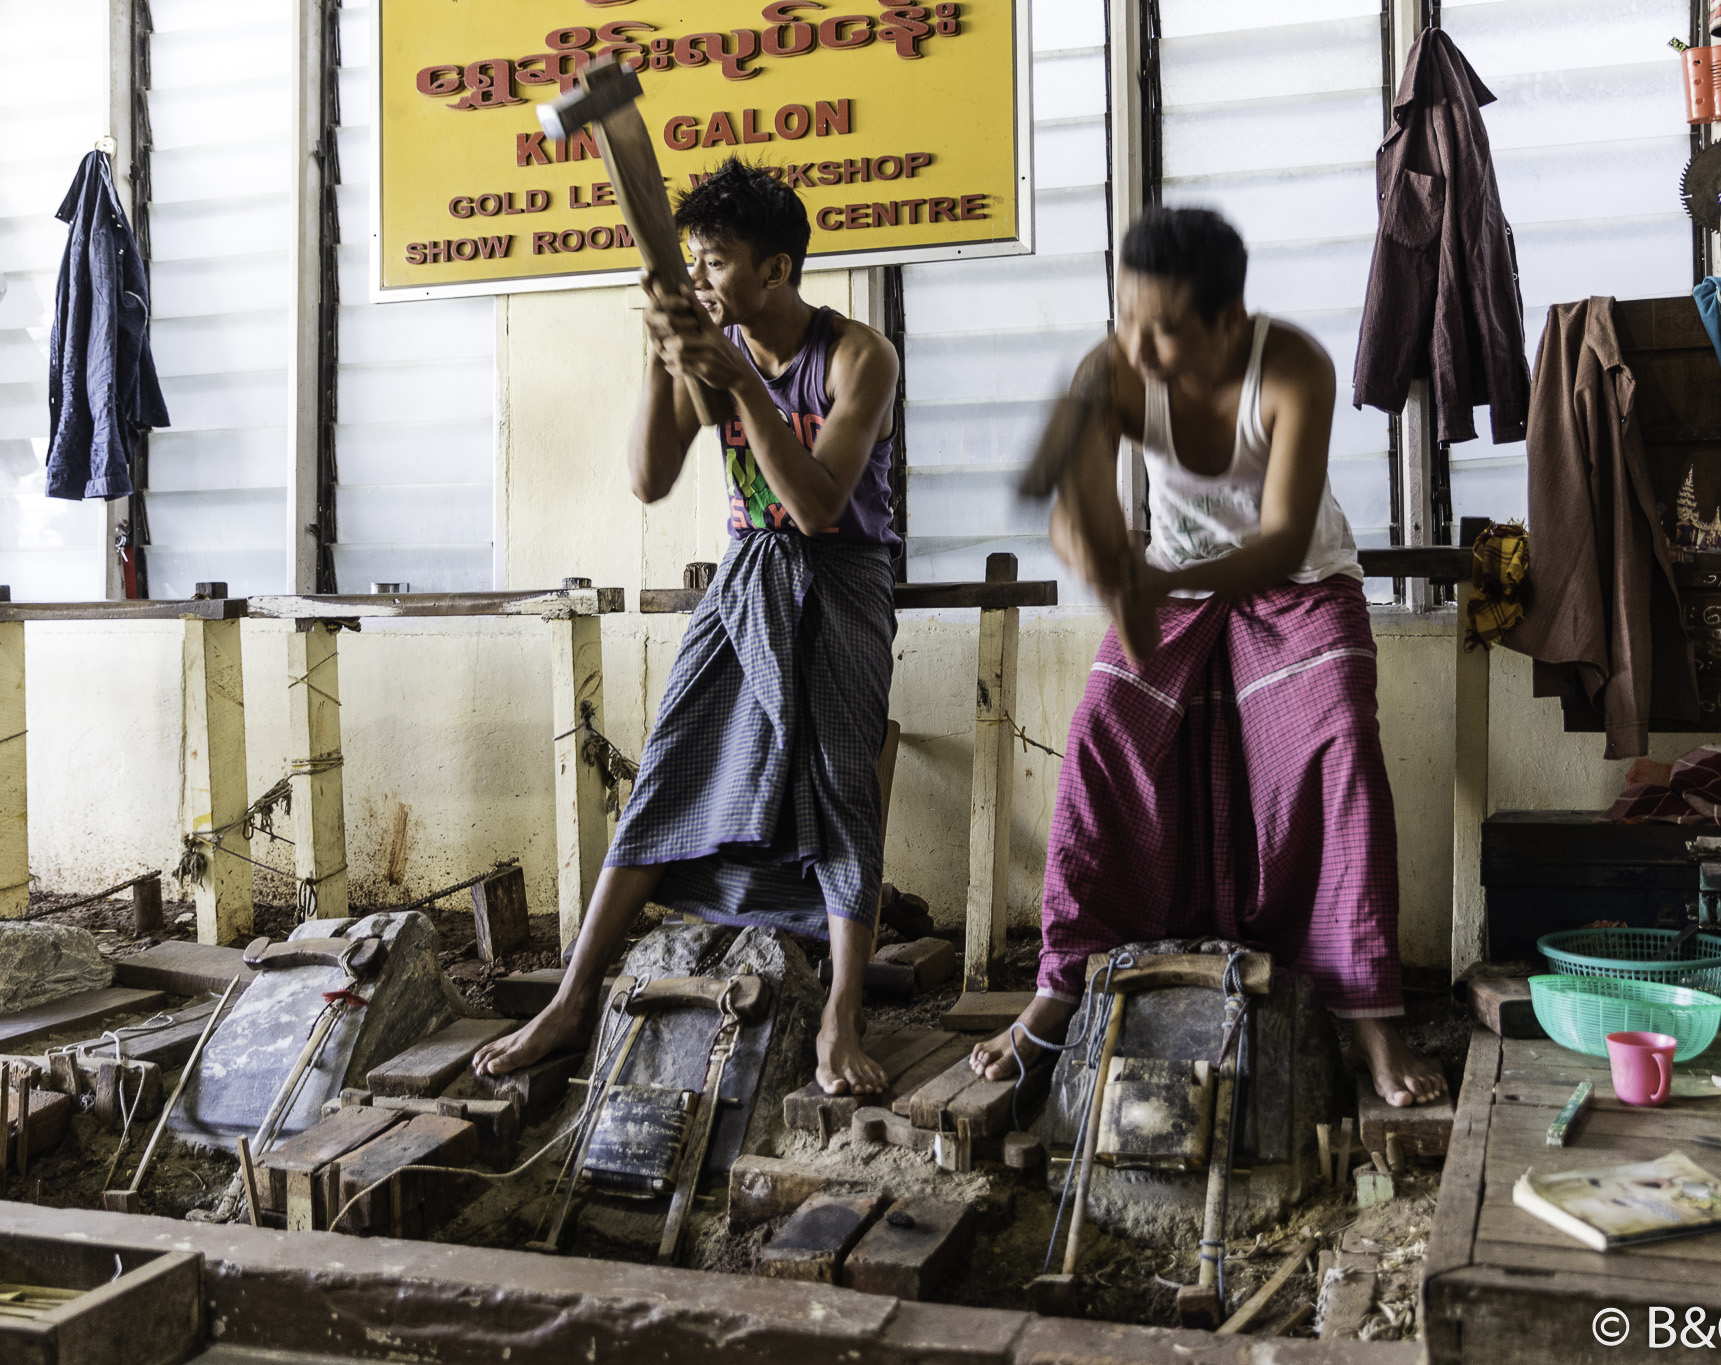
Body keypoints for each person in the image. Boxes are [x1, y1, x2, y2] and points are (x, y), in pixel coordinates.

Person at [968, 207, 1446, 1107]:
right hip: (1168, 582)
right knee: (1102, 728)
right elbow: (1075, 512)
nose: (1137, 348)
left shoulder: (1292, 367)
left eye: (1164, 328)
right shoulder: (1109, 371)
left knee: (1339, 735)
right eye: (1124, 317)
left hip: (1296, 580)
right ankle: (1061, 986)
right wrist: (1109, 569)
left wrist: (1153, 585)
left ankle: (1370, 1016)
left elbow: (1281, 536)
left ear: (1229, 321)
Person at [475, 158, 901, 1096]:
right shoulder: (715, 342)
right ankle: (574, 995)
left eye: (714, 264)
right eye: (693, 265)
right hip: (748, 572)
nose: (701, 281)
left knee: (839, 782)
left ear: (777, 270)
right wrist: (663, 351)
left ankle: (842, 1014)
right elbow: (649, 477)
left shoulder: (860, 356)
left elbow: (822, 505)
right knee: (668, 767)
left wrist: (739, 385)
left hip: (842, 578)